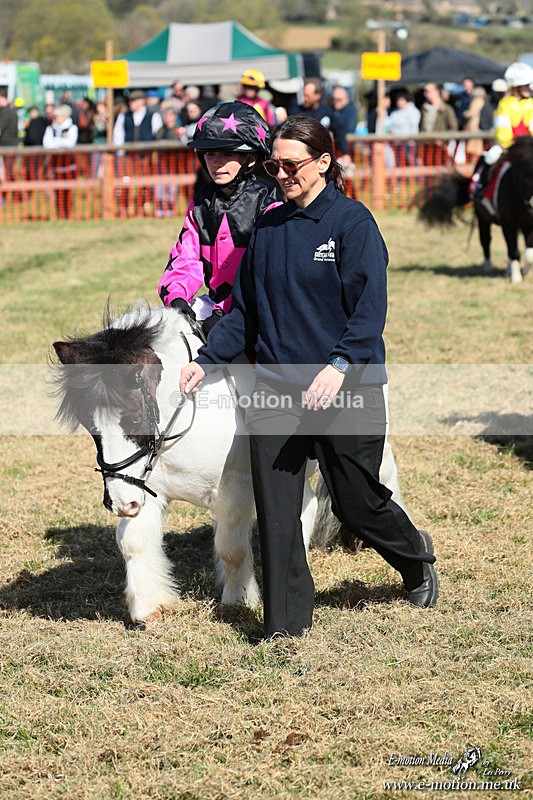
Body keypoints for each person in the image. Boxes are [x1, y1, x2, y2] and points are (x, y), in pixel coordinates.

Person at [178, 115, 439, 639]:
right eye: (275, 164)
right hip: (278, 389)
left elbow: (368, 313)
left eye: (292, 164)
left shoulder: (353, 225)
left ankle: (414, 558)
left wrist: (338, 366)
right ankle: (285, 625)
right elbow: (246, 314)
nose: (282, 174)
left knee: (354, 502)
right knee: (275, 512)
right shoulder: (269, 229)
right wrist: (205, 360)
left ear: (323, 163)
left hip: (345, 387)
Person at [158, 101, 281, 336]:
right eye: (210, 154)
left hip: (259, 310)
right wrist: (177, 297)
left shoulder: (269, 203)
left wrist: (228, 310)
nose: (216, 163)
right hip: (213, 306)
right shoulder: (201, 204)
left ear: (251, 158)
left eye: (227, 154)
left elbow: (265, 273)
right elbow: (186, 258)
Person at [470, 62, 533, 210]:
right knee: (490, 157)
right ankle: (480, 190)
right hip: (509, 146)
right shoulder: (505, 104)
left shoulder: (531, 103)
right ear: (516, 86)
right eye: (526, 85)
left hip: (528, 147)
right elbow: (503, 130)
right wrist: (509, 144)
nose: (529, 88)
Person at [113, 89, 163, 216]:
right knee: (125, 182)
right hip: (128, 157)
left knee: (145, 183)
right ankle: (125, 208)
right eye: (130, 101)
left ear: (142, 101)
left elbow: (158, 135)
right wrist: (120, 155)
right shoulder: (123, 116)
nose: (131, 103)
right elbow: (118, 136)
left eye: (134, 100)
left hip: (146, 156)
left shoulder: (153, 116)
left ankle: (144, 207)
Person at [42, 104, 78, 219]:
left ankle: (68, 215)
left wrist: (55, 142)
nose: (55, 118)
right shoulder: (50, 128)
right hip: (55, 166)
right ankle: (60, 215)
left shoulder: (72, 127)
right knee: (58, 192)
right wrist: (61, 142)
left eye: (58, 116)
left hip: (68, 166)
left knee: (68, 192)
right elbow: (47, 144)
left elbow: (70, 143)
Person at [329, 85, 357, 172]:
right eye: (334, 99)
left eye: (339, 99)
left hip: (347, 149)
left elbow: (348, 129)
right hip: (335, 150)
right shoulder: (332, 110)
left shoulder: (351, 110)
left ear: (346, 99)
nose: (336, 102)